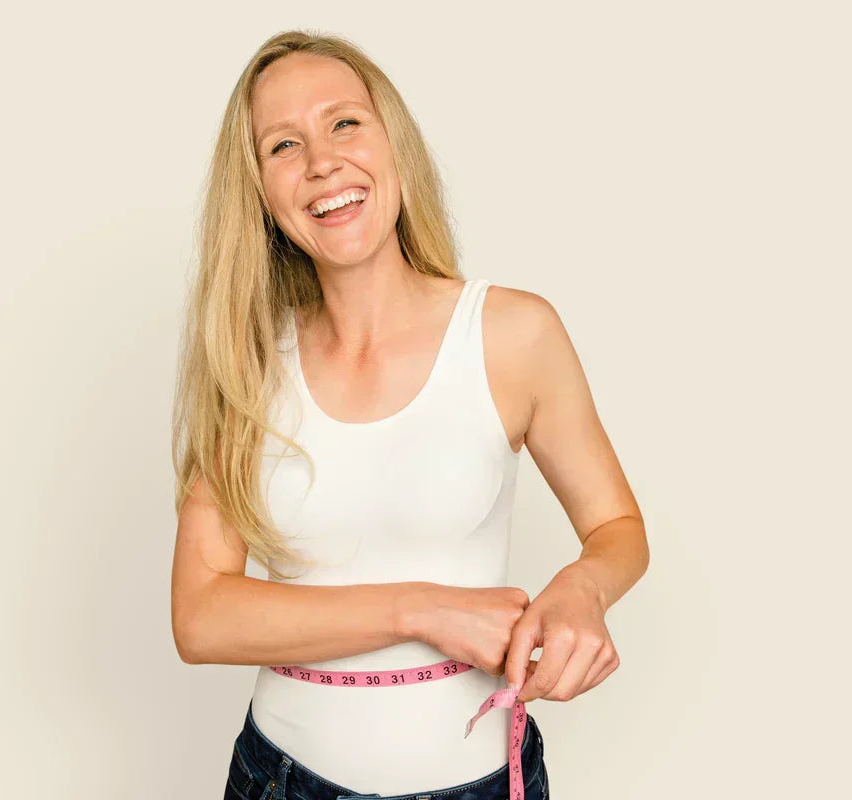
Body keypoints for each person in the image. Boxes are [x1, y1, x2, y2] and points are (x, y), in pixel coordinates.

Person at [170, 30, 649, 800]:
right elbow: (200, 616)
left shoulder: (511, 335)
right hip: (283, 780)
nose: (322, 161)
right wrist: (420, 609)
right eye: (283, 145)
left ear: (395, 143)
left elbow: (618, 530)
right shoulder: (248, 367)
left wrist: (582, 590)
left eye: (345, 123)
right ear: (259, 192)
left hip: (483, 781)